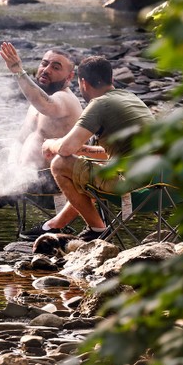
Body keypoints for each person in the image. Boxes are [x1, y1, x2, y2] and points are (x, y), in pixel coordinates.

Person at [0, 43, 83, 228]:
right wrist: (12, 165)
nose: (46, 70)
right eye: (44, 64)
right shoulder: (37, 102)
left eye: (56, 67)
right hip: (25, 175)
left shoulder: (65, 100)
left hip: (51, 183)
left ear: (70, 76)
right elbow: (20, 140)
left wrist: (18, 72)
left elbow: (45, 103)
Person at [23, 55, 155, 241]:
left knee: (60, 164)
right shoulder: (130, 98)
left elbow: (65, 149)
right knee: (86, 169)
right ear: (111, 78)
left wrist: (50, 144)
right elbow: (111, 155)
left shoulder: (99, 104)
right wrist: (82, 150)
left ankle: (97, 229)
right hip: (163, 183)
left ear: (83, 83)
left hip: (135, 188)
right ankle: (53, 225)